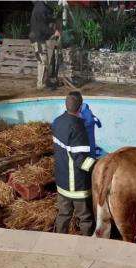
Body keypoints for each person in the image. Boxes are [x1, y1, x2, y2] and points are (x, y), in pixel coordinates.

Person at [52, 91, 96, 235]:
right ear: (81, 107)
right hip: (76, 184)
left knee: (63, 214)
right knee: (85, 217)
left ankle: (59, 240)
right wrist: (96, 166)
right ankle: (85, 245)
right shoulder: (78, 127)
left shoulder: (57, 121)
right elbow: (80, 160)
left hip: (62, 181)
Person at [29, 1, 60, 90]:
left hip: (38, 37)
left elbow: (45, 19)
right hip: (37, 38)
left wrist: (53, 19)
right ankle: (41, 84)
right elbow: (41, 25)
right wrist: (53, 32)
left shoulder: (41, 6)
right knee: (43, 62)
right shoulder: (40, 7)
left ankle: (45, 82)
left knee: (43, 61)